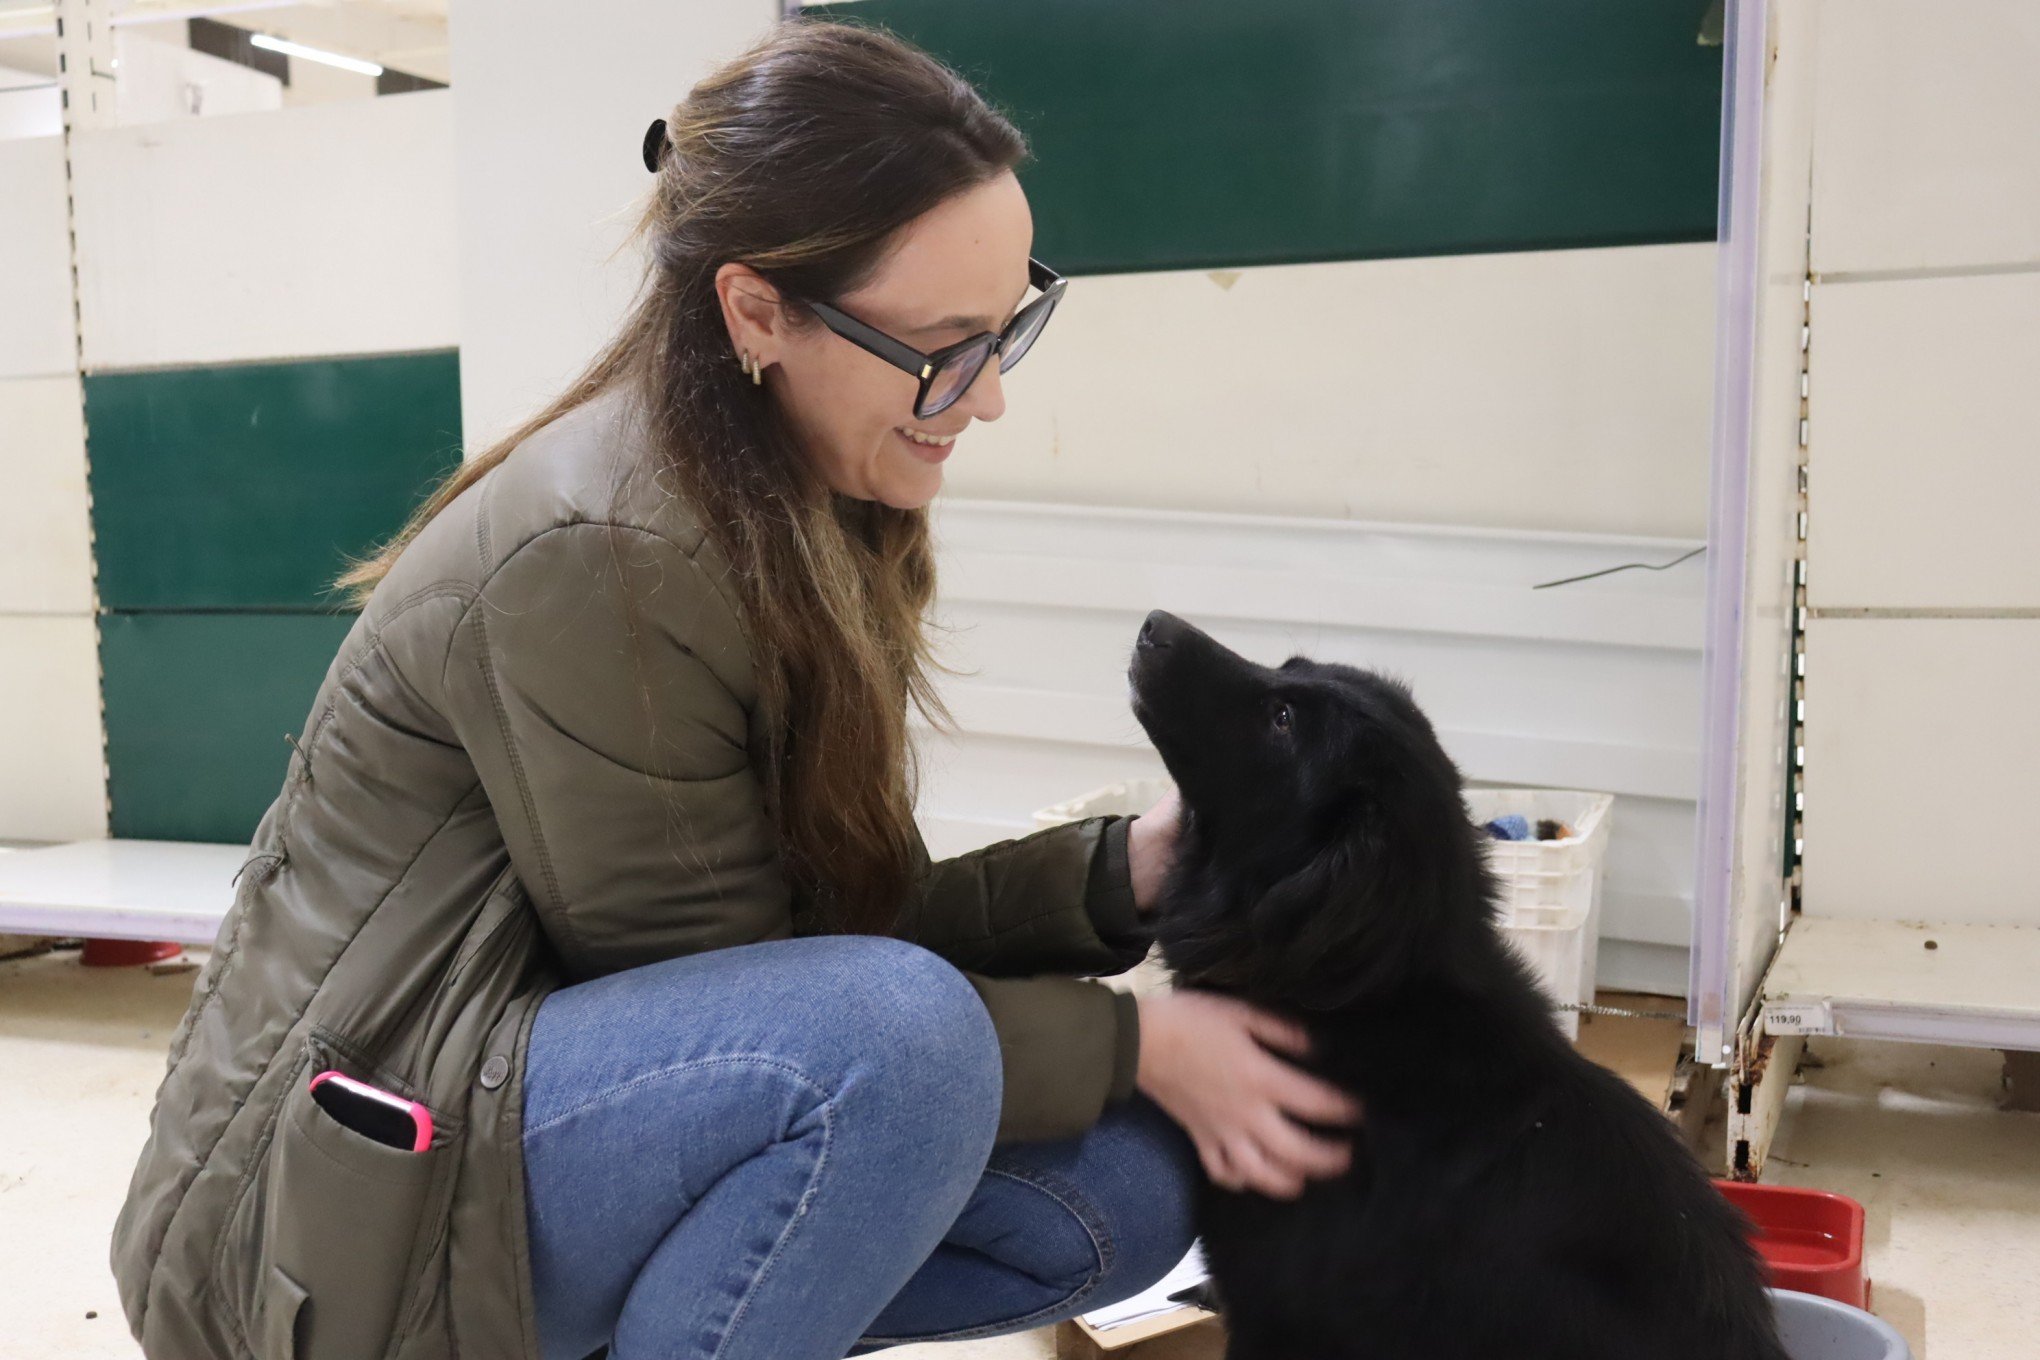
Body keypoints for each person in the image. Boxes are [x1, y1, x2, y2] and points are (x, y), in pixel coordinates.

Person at [108, 19, 1362, 1360]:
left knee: (1121, 1191)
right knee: (907, 1051)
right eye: (947, 347)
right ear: (758, 309)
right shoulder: (608, 550)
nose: (985, 398)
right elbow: (776, 1009)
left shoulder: (808, 493)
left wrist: (1123, 876)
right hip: (313, 1227)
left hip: (515, 1116)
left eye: (1009, 331)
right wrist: (1133, 1046)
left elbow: (818, 941)